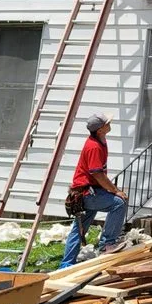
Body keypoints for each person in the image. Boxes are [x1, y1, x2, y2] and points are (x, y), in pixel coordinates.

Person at [60, 112, 128, 267]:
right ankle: (107, 244)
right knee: (119, 203)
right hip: (86, 193)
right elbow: (97, 174)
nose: (109, 124)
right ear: (100, 129)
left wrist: (110, 189)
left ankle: (66, 264)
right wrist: (115, 190)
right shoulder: (94, 147)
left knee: (79, 229)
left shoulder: (99, 140)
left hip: (86, 191)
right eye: (107, 123)